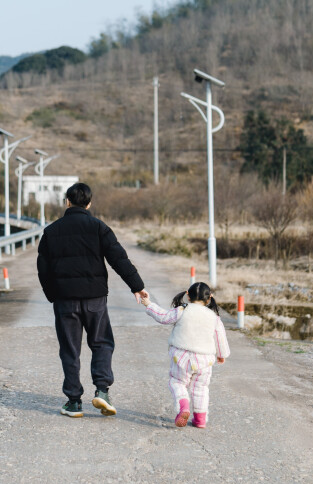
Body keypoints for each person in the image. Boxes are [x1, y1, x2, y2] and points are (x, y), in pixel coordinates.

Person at [37, 182, 148, 418]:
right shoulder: (99, 227)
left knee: (70, 349)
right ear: (89, 203)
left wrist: (52, 295)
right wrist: (136, 286)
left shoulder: (51, 231)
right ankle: (102, 391)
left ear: (67, 202)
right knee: (101, 343)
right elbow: (119, 258)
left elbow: (43, 269)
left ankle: (74, 402)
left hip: (65, 300)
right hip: (94, 298)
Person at [139, 282, 229, 429]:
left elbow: (163, 317)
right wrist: (222, 354)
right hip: (204, 360)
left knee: (177, 382)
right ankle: (200, 420)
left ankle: (183, 406)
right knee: (201, 388)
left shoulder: (182, 310)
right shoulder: (214, 317)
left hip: (181, 357)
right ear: (209, 298)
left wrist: (149, 304)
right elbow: (220, 337)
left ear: (188, 295)